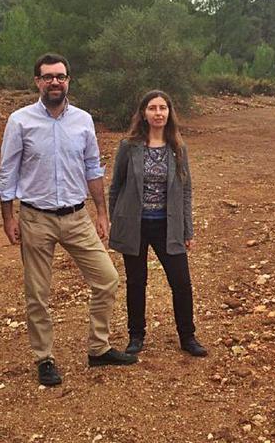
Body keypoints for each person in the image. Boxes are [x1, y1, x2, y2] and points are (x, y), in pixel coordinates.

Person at [0, 53, 136, 387]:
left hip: (77, 216)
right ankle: (44, 358)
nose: (54, 82)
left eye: (60, 76)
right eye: (47, 77)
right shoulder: (20, 121)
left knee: (107, 279)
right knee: (38, 293)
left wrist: (102, 213)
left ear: (69, 80)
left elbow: (92, 168)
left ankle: (98, 349)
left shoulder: (83, 120)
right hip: (35, 218)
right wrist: (8, 218)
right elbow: (8, 172)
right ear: (37, 82)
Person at [108, 90, 207, 357]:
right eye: (152, 108)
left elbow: (186, 191)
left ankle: (188, 336)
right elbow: (116, 186)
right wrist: (115, 222)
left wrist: (188, 229)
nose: (158, 113)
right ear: (143, 113)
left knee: (181, 283)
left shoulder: (178, 148)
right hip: (135, 225)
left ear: (169, 112)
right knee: (136, 282)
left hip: (168, 225)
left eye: (163, 107)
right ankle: (136, 336)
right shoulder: (129, 146)